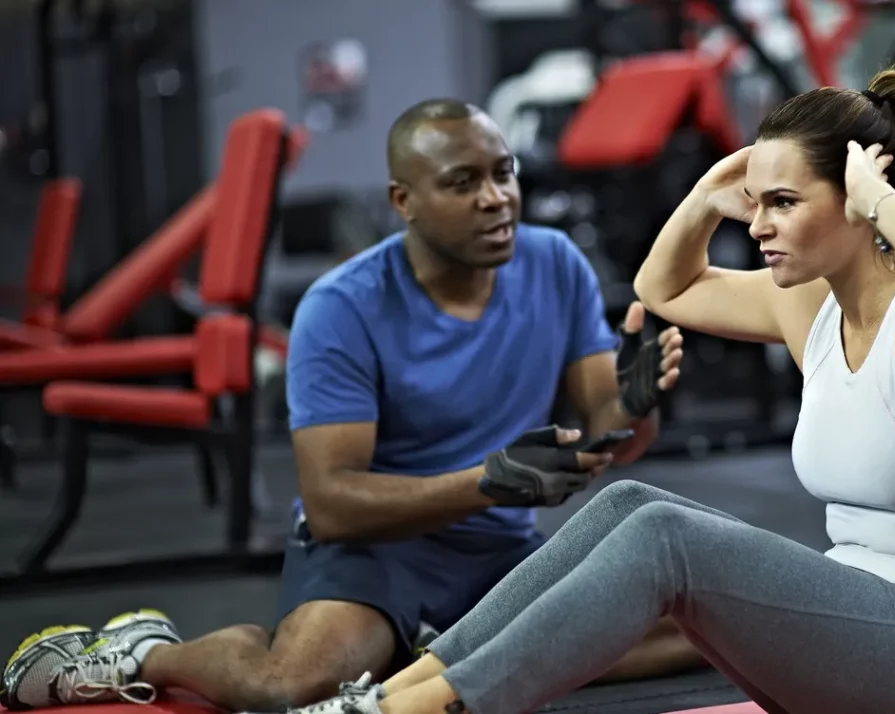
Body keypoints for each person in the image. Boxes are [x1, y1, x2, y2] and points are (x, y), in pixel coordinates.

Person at [267, 67, 895, 714]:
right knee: (629, 507)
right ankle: (384, 697)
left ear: (853, 195)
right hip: (868, 618)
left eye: (782, 203)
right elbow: (662, 285)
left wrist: (880, 198)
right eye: (758, 203)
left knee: (666, 542)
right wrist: (716, 188)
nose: (760, 223)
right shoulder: (811, 307)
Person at [0, 99, 708, 713]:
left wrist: (637, 406)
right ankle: (145, 653)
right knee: (294, 685)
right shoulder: (342, 307)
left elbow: (607, 436)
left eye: (503, 173)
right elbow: (334, 502)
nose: (496, 198)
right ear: (404, 201)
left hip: (497, 552)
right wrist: (488, 482)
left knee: (701, 626)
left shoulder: (554, 263)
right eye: (463, 183)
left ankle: (429, 658)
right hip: (373, 553)